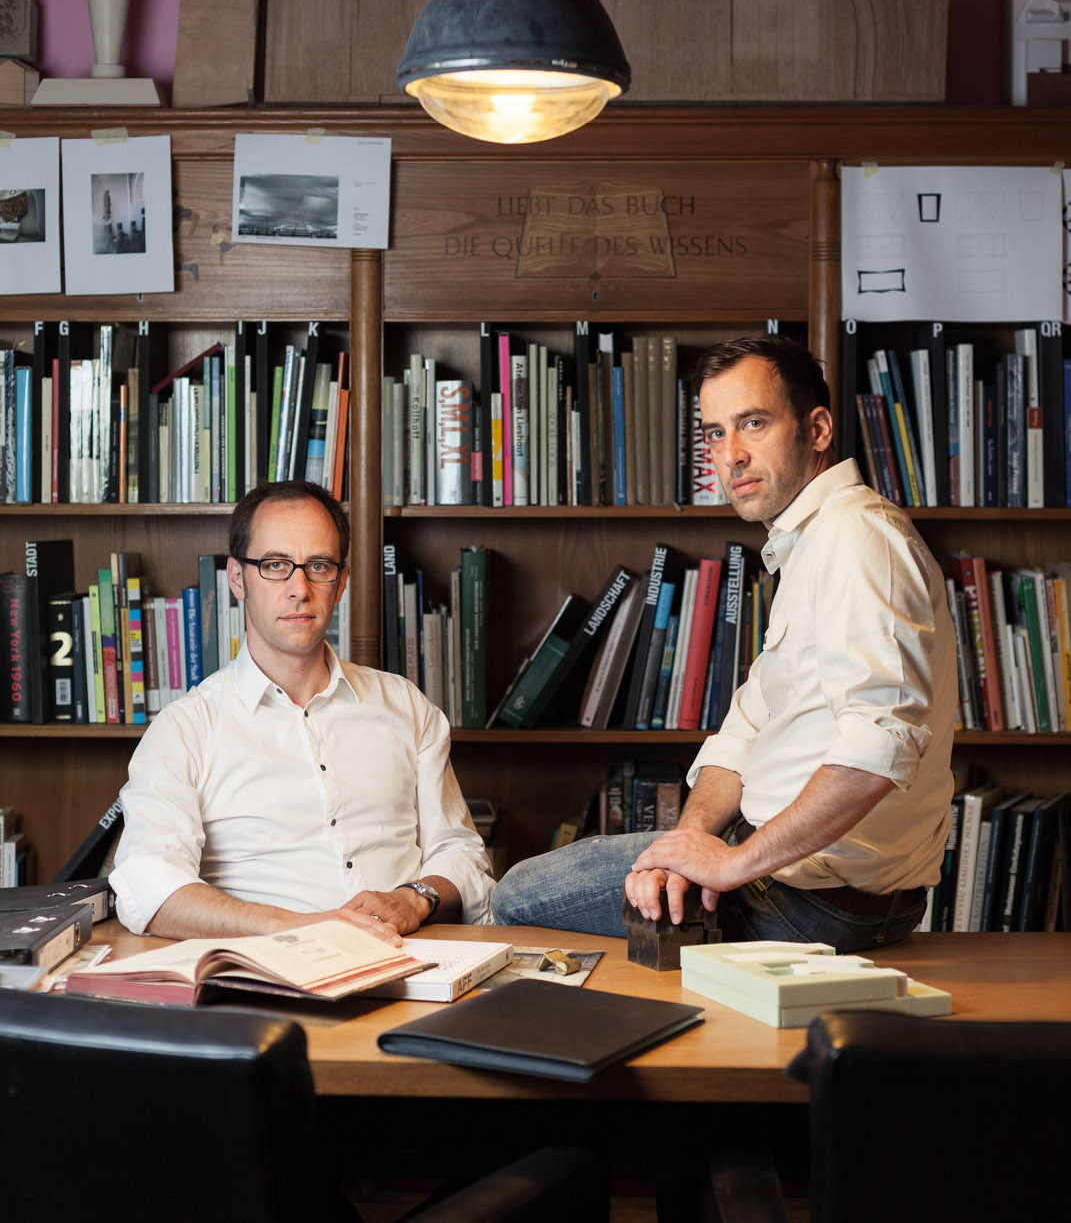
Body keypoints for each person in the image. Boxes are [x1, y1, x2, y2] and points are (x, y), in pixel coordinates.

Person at [491, 336, 957, 953]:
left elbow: (878, 744)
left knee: (516, 896)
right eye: (715, 433)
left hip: (813, 899)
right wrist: (686, 847)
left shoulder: (856, 539)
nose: (731, 455)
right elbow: (746, 728)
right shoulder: (810, 542)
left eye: (754, 423)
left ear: (818, 430)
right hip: (793, 877)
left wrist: (734, 863)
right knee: (604, 881)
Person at [111, 479, 494, 941]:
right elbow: (148, 886)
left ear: (341, 581)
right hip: (267, 966)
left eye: (318, 566)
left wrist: (414, 898)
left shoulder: (406, 706)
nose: (300, 589)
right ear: (237, 578)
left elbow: (463, 855)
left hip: (413, 957)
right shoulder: (185, 729)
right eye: (275, 565)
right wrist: (300, 926)